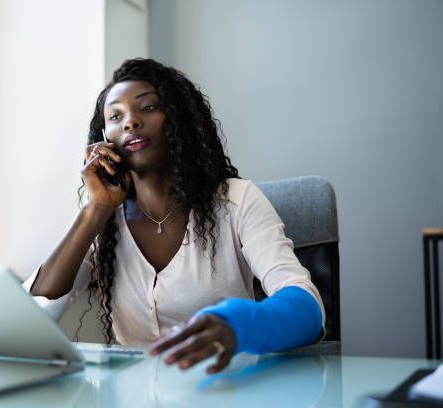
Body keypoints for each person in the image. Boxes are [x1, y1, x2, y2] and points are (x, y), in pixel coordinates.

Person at [23, 58, 324, 374]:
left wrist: (235, 323)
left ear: (178, 119)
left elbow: (307, 307)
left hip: (225, 387)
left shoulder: (237, 200)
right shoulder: (104, 221)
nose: (130, 122)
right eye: (115, 116)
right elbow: (33, 318)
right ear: (103, 136)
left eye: (148, 108)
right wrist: (95, 209)